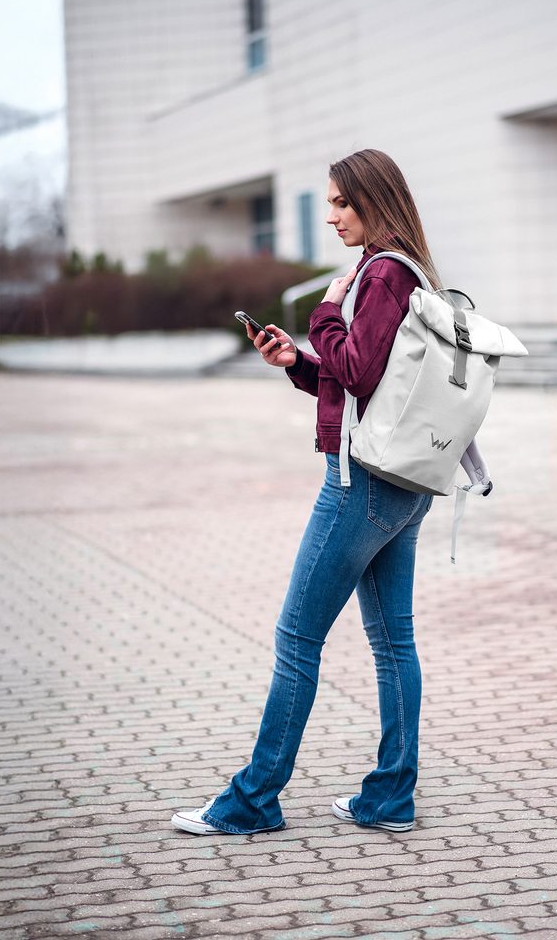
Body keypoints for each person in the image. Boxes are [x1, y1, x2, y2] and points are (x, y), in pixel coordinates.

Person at [171, 149, 441, 836]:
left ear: (374, 201)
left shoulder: (380, 274)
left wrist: (323, 314)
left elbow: (355, 366)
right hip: (404, 481)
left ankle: (255, 798)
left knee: (296, 639)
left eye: (342, 203)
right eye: (329, 202)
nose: (331, 216)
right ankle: (390, 796)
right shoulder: (409, 273)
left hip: (361, 485)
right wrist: (300, 363)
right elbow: (368, 381)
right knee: (393, 643)